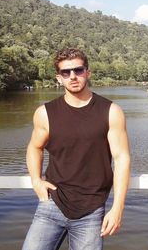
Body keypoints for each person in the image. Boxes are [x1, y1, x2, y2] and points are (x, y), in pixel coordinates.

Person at [22, 48, 131, 250]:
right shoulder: (45, 113)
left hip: (92, 209)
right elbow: (34, 148)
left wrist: (118, 207)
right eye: (66, 72)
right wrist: (36, 180)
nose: (73, 76)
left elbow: (122, 158)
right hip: (52, 203)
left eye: (78, 70)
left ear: (87, 72)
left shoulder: (111, 112)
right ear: (58, 78)